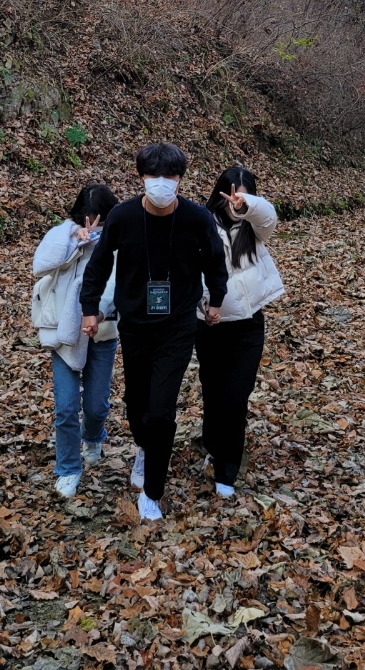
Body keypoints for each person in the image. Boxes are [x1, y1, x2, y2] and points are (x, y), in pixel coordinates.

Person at [80, 142, 228, 522]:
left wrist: (216, 299)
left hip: (178, 326)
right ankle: (145, 447)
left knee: (160, 412)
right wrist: (90, 308)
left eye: (170, 176)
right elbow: (98, 265)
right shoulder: (123, 217)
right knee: (137, 406)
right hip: (135, 325)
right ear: (142, 177)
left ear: (180, 179)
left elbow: (215, 260)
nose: (161, 183)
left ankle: (152, 493)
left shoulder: (196, 218)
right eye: (153, 175)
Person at [195, 166, 284, 498]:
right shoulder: (202, 224)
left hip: (248, 326)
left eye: (244, 196)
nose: (235, 201)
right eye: (231, 195)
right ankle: (211, 443)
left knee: (236, 397)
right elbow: (191, 271)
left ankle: (227, 470)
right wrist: (205, 305)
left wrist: (248, 206)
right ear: (219, 194)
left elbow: (268, 216)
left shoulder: (255, 228)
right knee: (213, 391)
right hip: (209, 325)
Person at [32, 181, 120, 499]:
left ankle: (93, 436)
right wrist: (74, 241)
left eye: (100, 220)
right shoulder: (63, 234)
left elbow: (122, 283)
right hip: (65, 333)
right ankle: (68, 467)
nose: (94, 225)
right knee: (66, 406)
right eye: (88, 219)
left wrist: (99, 313)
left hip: (103, 332)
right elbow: (40, 265)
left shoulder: (119, 240)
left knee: (96, 406)